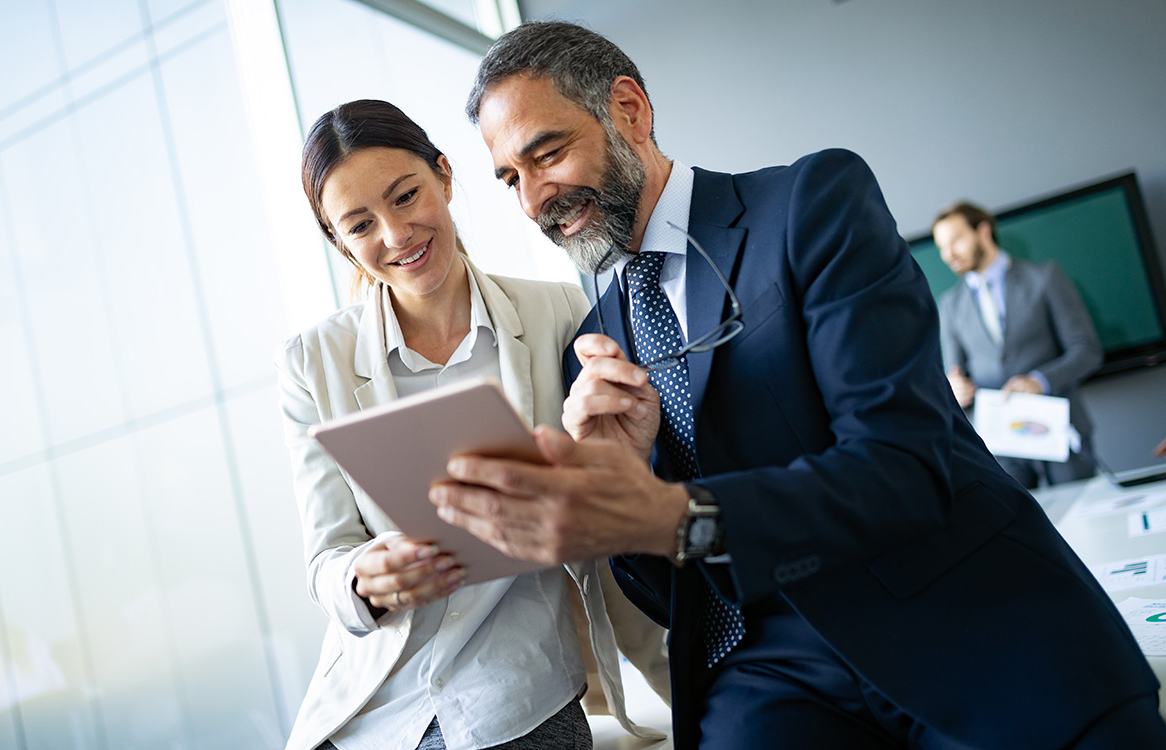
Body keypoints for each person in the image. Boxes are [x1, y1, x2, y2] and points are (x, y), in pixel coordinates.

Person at [424, 21, 1166, 750]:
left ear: (629, 111)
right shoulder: (591, 354)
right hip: (768, 677)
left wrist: (675, 512)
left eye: (547, 154)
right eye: (510, 179)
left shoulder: (810, 206)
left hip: (962, 629)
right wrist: (619, 490)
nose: (532, 201)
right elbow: (665, 592)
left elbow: (903, 467)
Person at [274, 99, 668, 750]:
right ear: (338, 240)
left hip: (517, 698)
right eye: (361, 224)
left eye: (406, 197)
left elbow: (616, 485)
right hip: (378, 713)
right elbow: (326, 556)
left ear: (445, 177)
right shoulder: (312, 363)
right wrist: (362, 578)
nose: (396, 235)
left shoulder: (559, 314)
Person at [932, 201, 1103, 488]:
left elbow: (1087, 350)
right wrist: (955, 390)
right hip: (1001, 447)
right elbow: (955, 374)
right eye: (941, 247)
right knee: (1018, 529)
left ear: (983, 231)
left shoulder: (1045, 277)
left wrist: (1040, 381)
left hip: (1060, 433)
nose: (948, 254)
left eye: (956, 241)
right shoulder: (949, 305)